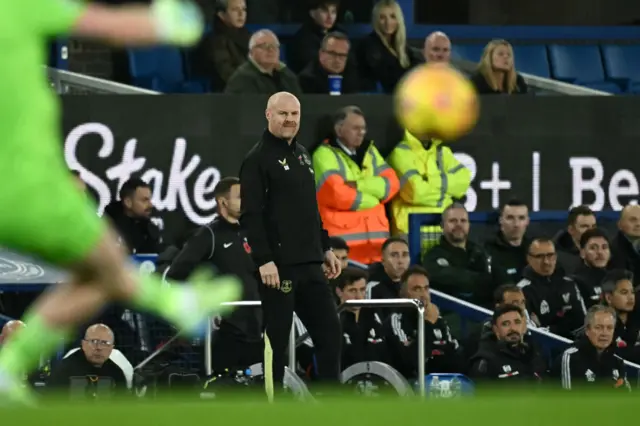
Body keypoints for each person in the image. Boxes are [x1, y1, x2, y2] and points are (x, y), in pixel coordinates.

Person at [0, 0, 242, 405]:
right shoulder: (18, 9)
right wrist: (170, 20)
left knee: (101, 269)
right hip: (28, 186)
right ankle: (177, 303)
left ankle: (10, 368)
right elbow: (113, 25)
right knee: (106, 264)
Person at [239, 91, 342, 398]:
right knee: (277, 340)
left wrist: (325, 248)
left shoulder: (303, 156)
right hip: (279, 268)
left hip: (311, 264)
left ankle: (332, 405)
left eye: (294, 114)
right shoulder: (257, 159)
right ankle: (273, 405)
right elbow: (251, 215)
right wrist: (264, 259)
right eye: (283, 114)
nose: (289, 120)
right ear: (268, 115)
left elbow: (310, 211)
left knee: (331, 333)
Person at [165, 177, 263, 372]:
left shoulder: (253, 232)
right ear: (223, 201)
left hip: (259, 328)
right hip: (227, 331)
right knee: (223, 389)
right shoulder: (209, 235)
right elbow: (175, 273)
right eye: (239, 196)